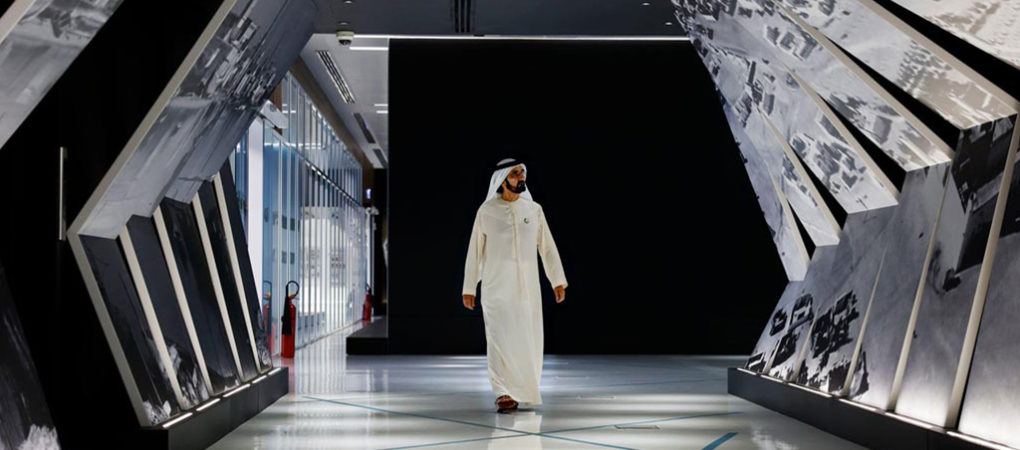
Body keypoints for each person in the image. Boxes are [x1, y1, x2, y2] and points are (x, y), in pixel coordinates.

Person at [462, 158, 568, 413]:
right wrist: (469, 287)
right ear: (502, 180)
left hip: (527, 290)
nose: (521, 177)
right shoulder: (486, 212)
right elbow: (475, 250)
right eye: (515, 173)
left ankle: (525, 389)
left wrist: (557, 280)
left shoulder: (534, 210)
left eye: (522, 172)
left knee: (526, 339)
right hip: (495, 289)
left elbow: (547, 247)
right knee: (498, 338)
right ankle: (503, 392)